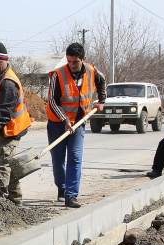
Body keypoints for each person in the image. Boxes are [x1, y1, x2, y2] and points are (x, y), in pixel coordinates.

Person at [46, 42, 105, 208]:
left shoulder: (92, 71)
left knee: (75, 158)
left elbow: (102, 81)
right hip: (58, 123)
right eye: (69, 61)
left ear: (83, 59)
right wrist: (65, 120)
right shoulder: (58, 75)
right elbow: (52, 102)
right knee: (58, 161)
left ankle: (71, 195)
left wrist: (101, 101)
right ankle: (62, 187)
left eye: (76, 61)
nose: (72, 65)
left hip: (79, 122)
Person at [0, 43, 32, 206]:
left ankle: (0, 197)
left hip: (12, 128)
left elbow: (4, 112)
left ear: (6, 61)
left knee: (3, 162)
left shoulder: (9, 82)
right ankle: (15, 198)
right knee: (5, 162)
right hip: (3, 127)